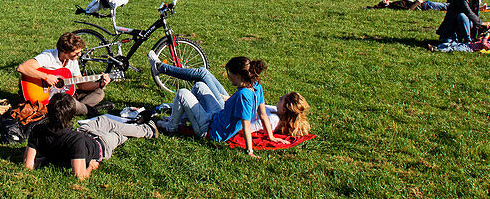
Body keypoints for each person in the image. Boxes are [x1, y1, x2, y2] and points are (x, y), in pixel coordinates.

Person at [148, 52, 288, 156]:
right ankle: (181, 120)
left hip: (210, 130)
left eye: (230, 74)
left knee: (182, 93)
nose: (228, 77)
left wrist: (249, 151)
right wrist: (271, 136)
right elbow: (262, 114)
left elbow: (246, 124)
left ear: (238, 76)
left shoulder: (243, 96)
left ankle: (171, 127)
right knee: (199, 86)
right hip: (215, 116)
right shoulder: (255, 85)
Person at [22, 92, 156, 179]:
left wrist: (47, 161)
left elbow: (28, 165)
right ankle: (148, 129)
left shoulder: (38, 130)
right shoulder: (75, 141)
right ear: (72, 116)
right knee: (118, 134)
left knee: (104, 120)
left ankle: (135, 122)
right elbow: (80, 176)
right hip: (101, 143)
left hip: (83, 131)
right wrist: (91, 165)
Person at [16, 33, 110, 117]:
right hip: (48, 99)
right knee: (71, 103)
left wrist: (100, 84)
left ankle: (73, 110)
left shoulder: (73, 61)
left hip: (65, 97)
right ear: (64, 51)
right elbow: (22, 68)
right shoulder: (48, 56)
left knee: (99, 93)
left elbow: (82, 84)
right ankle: (88, 110)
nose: (80, 55)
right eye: (76, 53)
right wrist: (46, 77)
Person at [246, 92, 311, 138]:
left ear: (283, 110)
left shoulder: (273, 120)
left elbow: (246, 128)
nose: (279, 97)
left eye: (282, 99)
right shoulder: (275, 109)